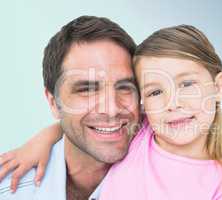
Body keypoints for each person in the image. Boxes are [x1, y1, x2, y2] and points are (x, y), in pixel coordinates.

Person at [1, 25, 222, 199]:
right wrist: (40, 141)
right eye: (154, 92)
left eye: (187, 84)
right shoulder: (145, 132)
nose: (172, 102)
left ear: (218, 87)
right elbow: (81, 122)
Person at [0, 15, 141, 200]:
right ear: (53, 103)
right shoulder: (10, 191)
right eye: (87, 90)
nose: (112, 109)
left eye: (125, 88)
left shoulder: (171, 178)